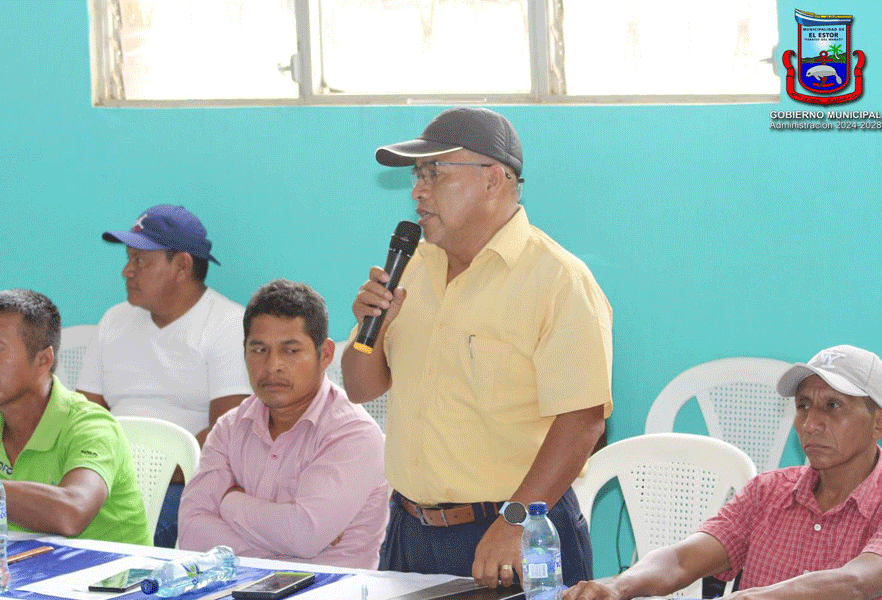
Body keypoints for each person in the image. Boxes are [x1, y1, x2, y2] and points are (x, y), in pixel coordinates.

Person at [342, 107, 613, 588]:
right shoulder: (411, 267)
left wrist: (514, 521)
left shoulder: (557, 280)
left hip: (512, 532)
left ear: (493, 180)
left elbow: (583, 421)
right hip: (410, 531)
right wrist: (372, 328)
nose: (418, 191)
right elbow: (361, 388)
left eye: (434, 173)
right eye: (417, 175)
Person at [563, 344, 882, 600]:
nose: (811, 424)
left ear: (878, 423)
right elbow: (681, 560)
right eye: (803, 406)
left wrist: (751, 597)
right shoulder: (767, 492)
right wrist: (618, 586)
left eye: (833, 406)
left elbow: (858, 583)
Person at [178, 279, 388, 568]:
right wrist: (287, 548)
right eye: (259, 350)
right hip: (238, 586)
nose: (272, 365)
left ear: (325, 354)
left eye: (290, 350)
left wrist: (228, 502)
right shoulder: (230, 428)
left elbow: (304, 536)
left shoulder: (353, 434)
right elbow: (191, 531)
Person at [76, 204, 251, 547]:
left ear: (182, 265)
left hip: (183, 483)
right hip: (108, 477)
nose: (127, 271)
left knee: (123, 538)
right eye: (129, 258)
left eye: (140, 260)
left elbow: (227, 431)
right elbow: (84, 415)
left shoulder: (228, 325)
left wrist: (148, 470)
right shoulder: (114, 320)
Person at [0, 289, 150, 544]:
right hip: (22, 564)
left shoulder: (91, 426)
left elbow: (73, 512)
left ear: (43, 360)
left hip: (109, 568)